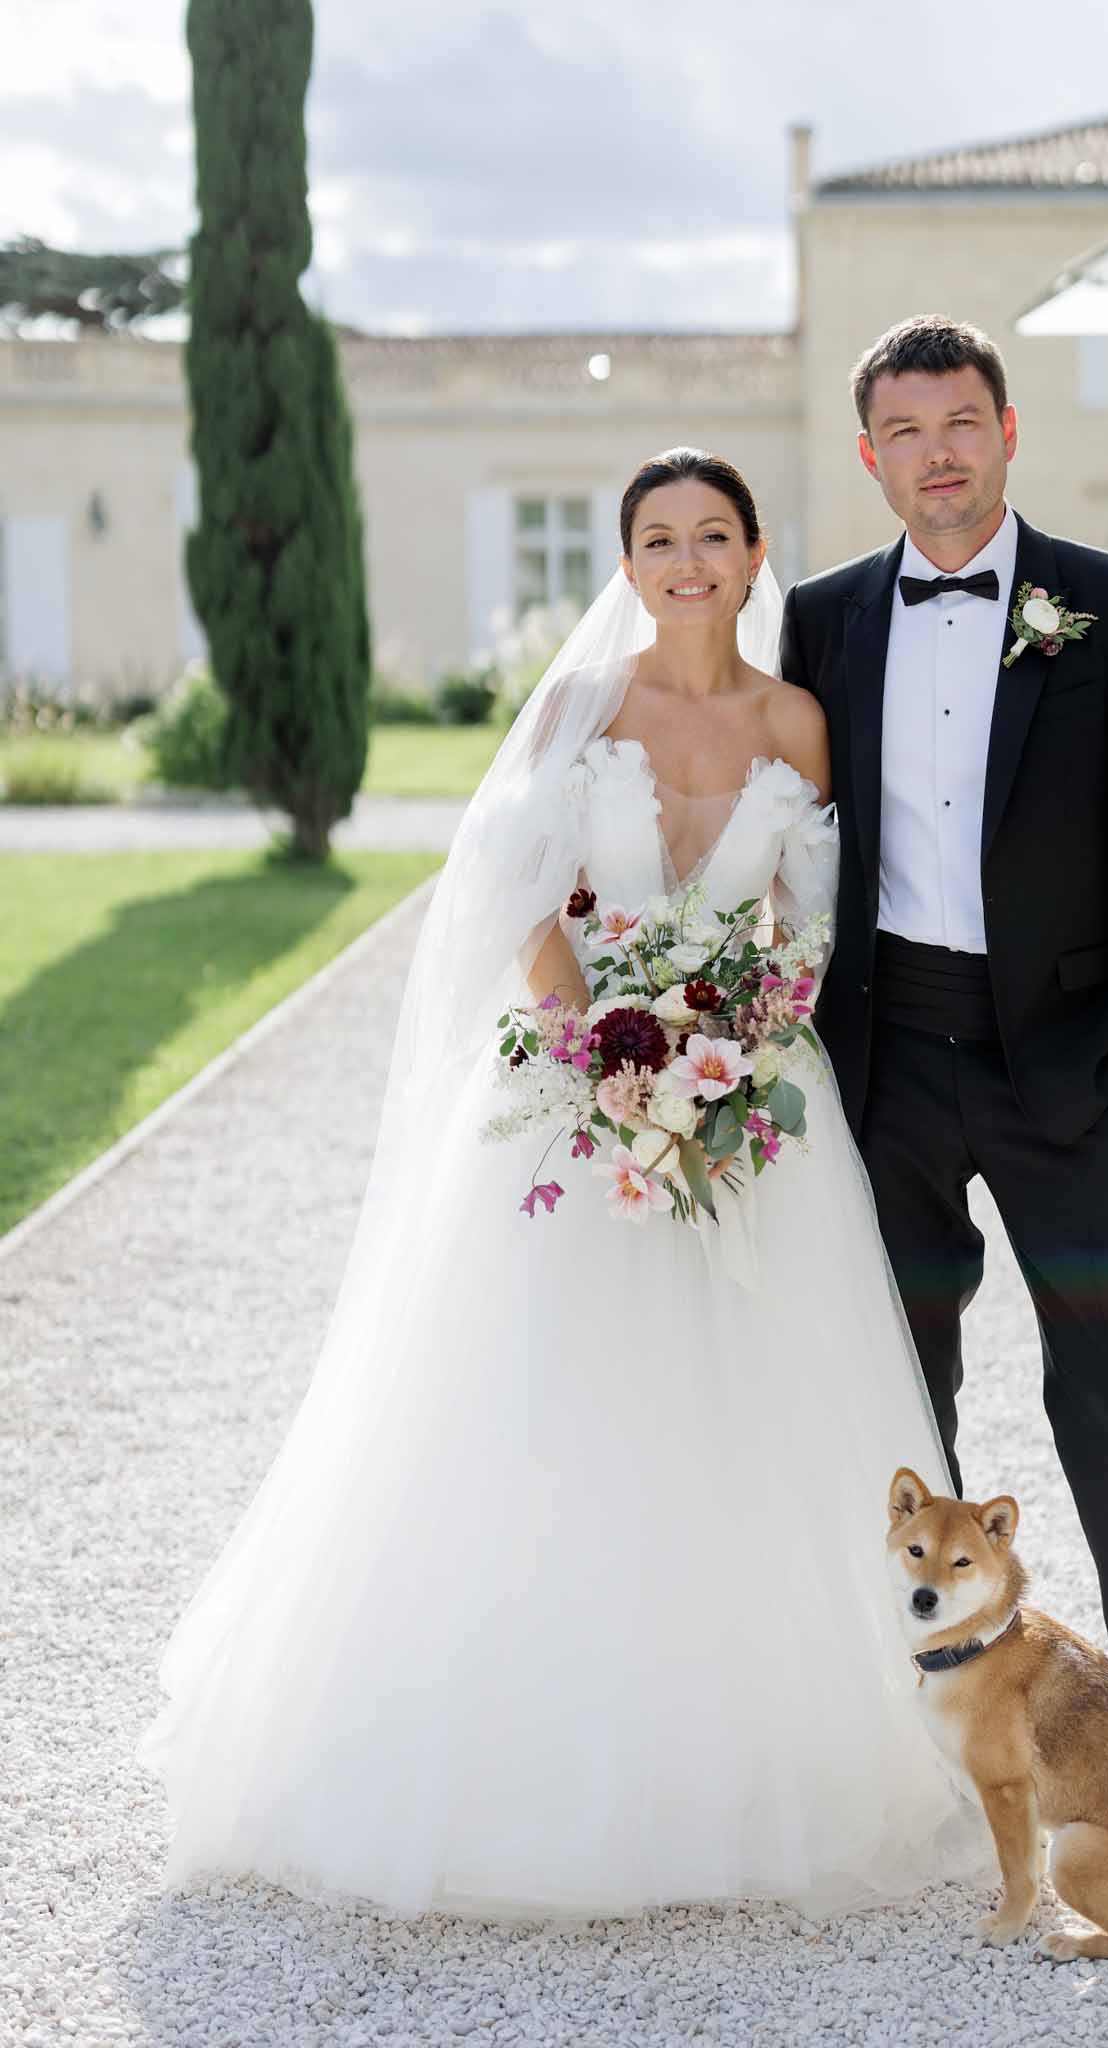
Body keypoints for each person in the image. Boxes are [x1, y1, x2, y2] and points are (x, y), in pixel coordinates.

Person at [138, 448, 996, 1922]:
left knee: (746, 1427)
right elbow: (525, 898)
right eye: (657, 538)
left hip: (749, 1111)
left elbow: (802, 920)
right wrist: (612, 1057)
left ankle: (749, 1759)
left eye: (711, 536)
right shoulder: (578, 709)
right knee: (548, 1413)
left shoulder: (797, 718)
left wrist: (727, 1055)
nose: (684, 560)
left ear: (750, 554)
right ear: (628, 562)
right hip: (572, 1091)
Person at [778, 316, 1108, 1847]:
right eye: (906, 430)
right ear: (871, 456)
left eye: (962, 420)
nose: (939, 452)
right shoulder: (827, 621)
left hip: (1070, 1071)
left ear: (1007, 429)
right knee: (905, 1409)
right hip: (888, 1067)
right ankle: (944, 1747)